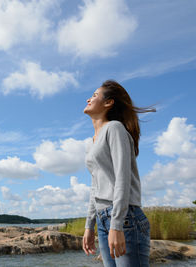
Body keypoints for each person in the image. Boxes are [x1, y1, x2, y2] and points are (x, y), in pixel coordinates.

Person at [82, 80, 155, 267]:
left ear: (108, 103)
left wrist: (117, 224)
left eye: (95, 95)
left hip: (125, 218)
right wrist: (89, 226)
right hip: (103, 219)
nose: (89, 99)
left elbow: (122, 177)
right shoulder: (92, 142)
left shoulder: (114, 128)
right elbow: (95, 186)